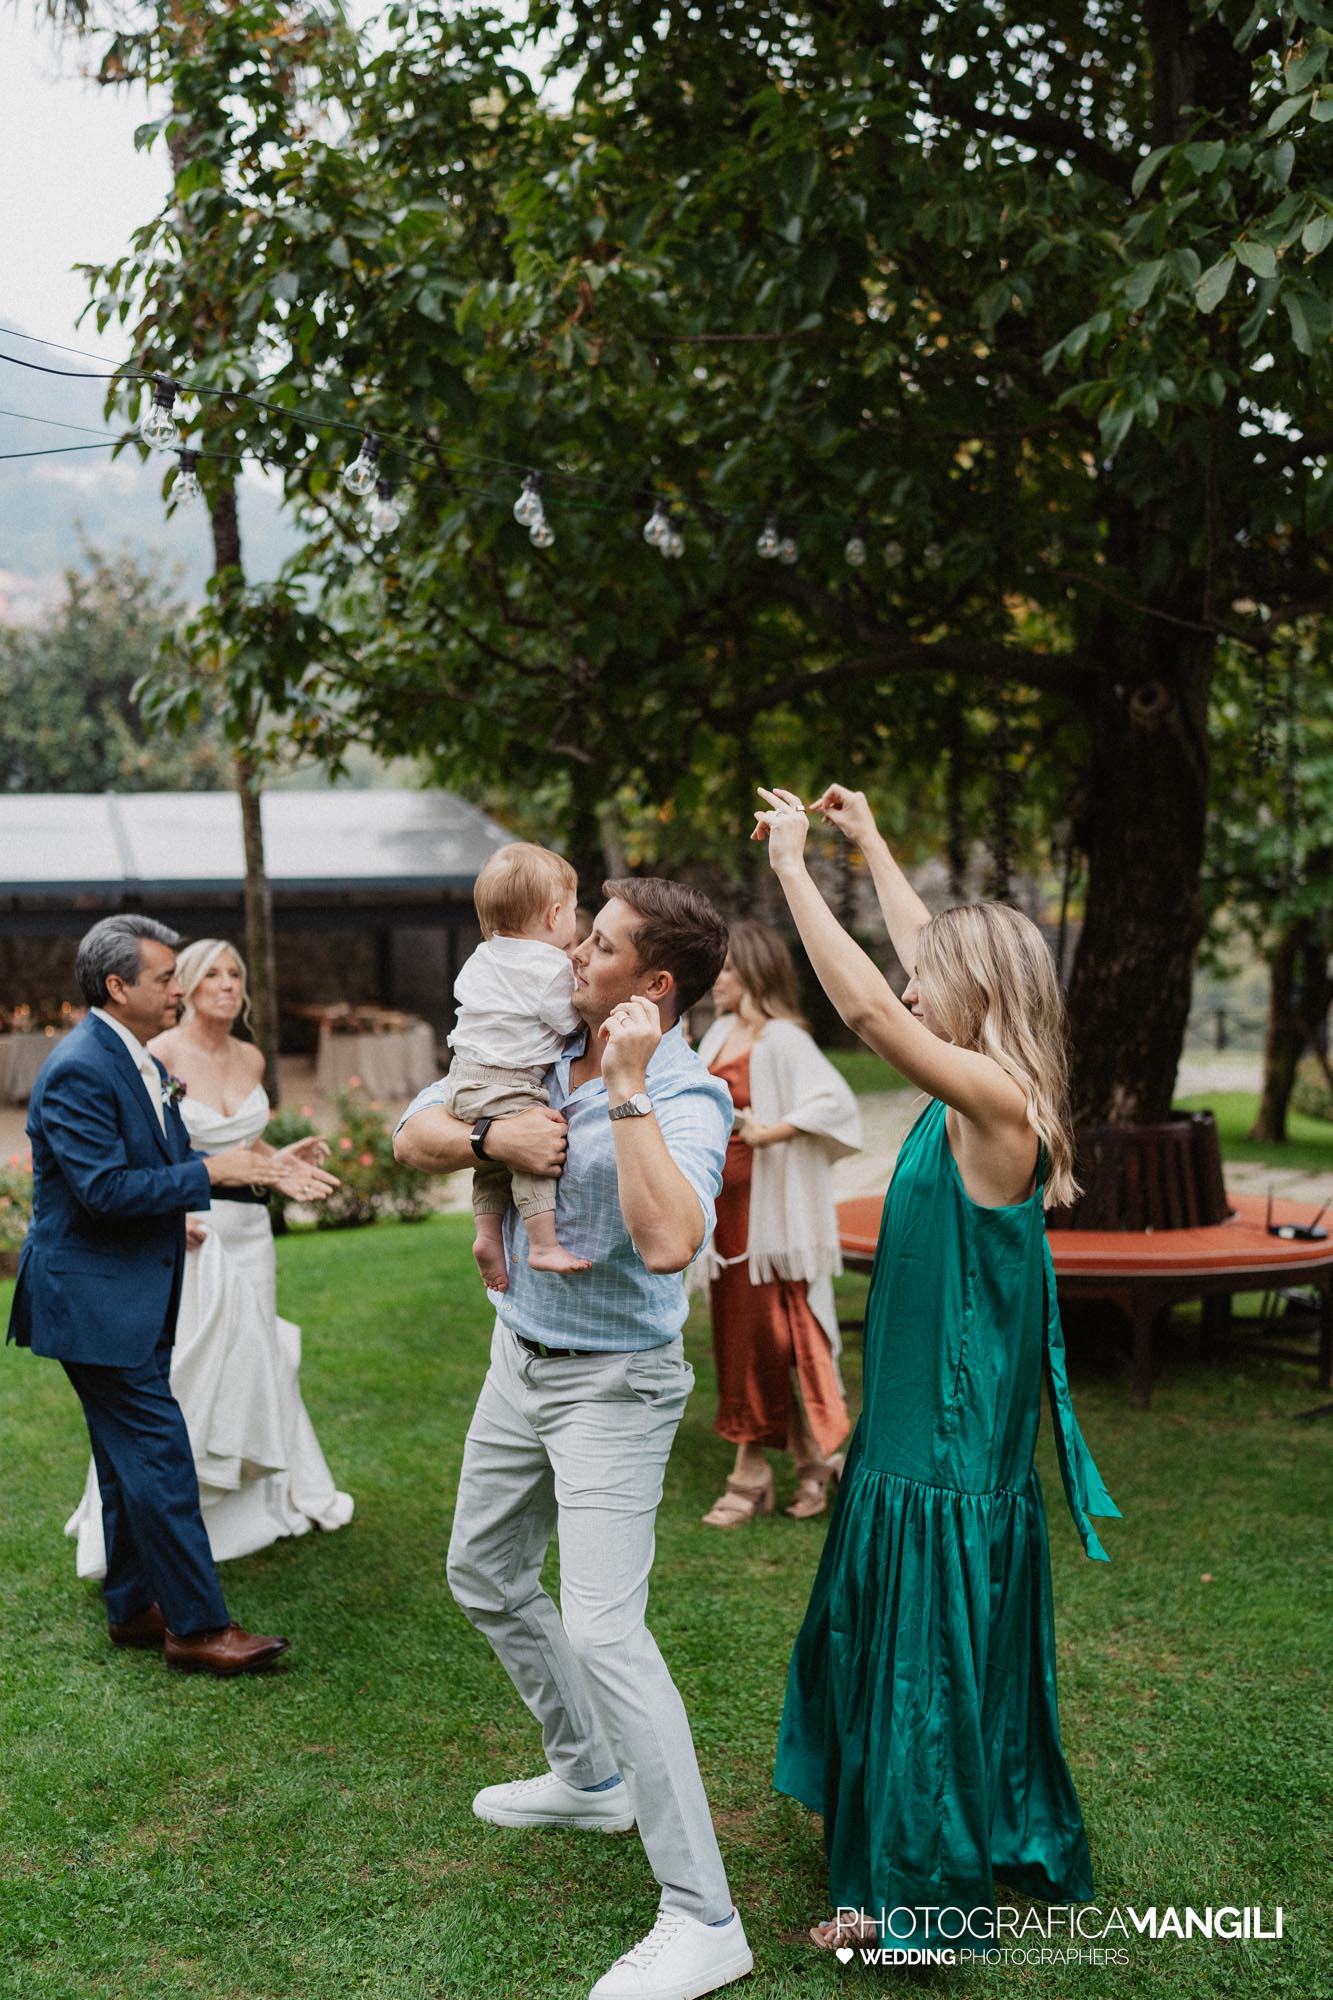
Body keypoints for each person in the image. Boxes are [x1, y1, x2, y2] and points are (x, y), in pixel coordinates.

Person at [751, 784, 1120, 1953]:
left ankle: (918, 1898)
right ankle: (968, 1826)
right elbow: (919, 954)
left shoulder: (996, 1103)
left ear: (978, 1000)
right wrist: (872, 842)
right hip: (919, 1436)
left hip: (946, 1450)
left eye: (936, 983)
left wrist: (801, 874)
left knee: (921, 1667)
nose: (915, 987)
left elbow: (869, 1001)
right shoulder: (973, 1084)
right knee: (912, 1651)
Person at [395, 879, 755, 2000]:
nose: (571, 951)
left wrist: (629, 1088)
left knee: (607, 1628)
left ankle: (705, 1914)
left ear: (652, 985)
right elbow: (414, 1133)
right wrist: (487, 1127)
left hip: (614, 1386)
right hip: (521, 1355)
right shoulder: (538, 1031)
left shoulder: (689, 1095)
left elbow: (664, 1243)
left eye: (596, 945)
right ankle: (588, 1772)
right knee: (482, 1570)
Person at [8, 915, 335, 1675]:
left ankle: (131, 1608)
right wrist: (212, 1176)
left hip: (134, 1290)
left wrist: (253, 1162)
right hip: (91, 1301)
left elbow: (164, 1153)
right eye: (165, 978)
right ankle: (196, 1627)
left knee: (128, 1460)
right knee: (159, 1456)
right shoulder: (81, 1067)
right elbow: (102, 1190)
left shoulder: (132, 1057)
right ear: (118, 986)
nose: (179, 988)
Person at [64, 937, 353, 1575]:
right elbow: (145, 1157)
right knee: (186, 1368)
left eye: (236, 974)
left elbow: (238, 1156)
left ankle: (265, 1501)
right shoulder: (159, 1055)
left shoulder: (251, 1057)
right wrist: (177, 1213)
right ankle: (175, 1510)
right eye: (211, 974)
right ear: (187, 986)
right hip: (189, 1231)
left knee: (258, 1356)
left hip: (249, 1230)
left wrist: (274, 1166)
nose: (227, 984)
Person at [694, 921, 861, 1525]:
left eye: (728, 969)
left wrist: (772, 1129)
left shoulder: (784, 1039)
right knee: (741, 1336)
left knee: (773, 1336)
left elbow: (834, 1103)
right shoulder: (714, 1035)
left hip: (770, 1225)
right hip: (726, 1221)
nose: (717, 980)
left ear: (757, 972)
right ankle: (813, 1460)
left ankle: (751, 1469)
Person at [441, 841, 590, 1290]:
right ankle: (544, 1244)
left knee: (491, 1162)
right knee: (529, 1149)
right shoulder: (549, 969)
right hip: (510, 1081)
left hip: (462, 1076)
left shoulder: (482, 956)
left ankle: (487, 1235)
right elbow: (569, 1020)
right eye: (574, 914)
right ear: (554, 915)